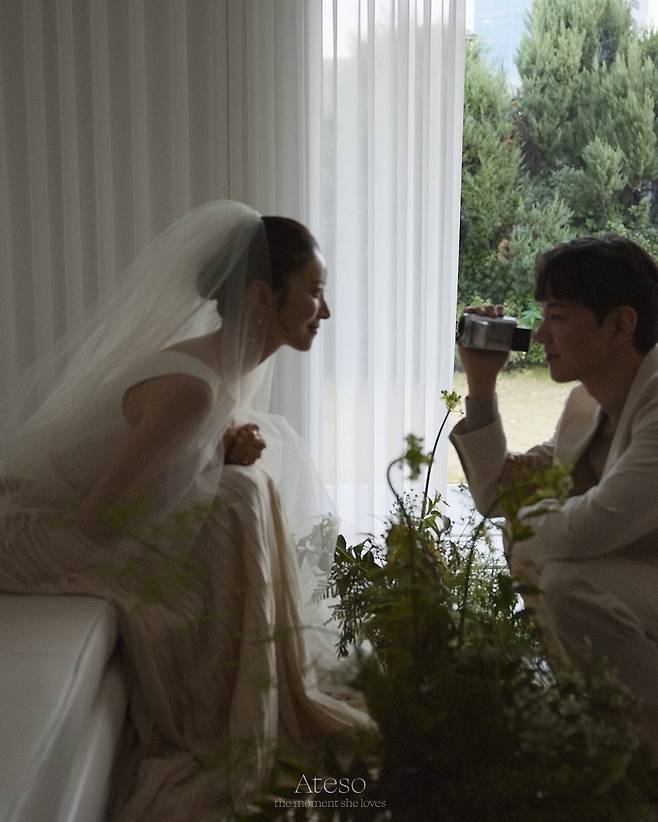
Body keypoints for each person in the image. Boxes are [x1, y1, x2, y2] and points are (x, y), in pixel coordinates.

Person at [0, 200, 371, 820]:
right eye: (314, 293)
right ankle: (226, 701)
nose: (325, 311)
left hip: (74, 515)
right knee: (234, 507)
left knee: (243, 494)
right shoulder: (192, 390)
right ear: (262, 297)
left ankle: (257, 679)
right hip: (29, 532)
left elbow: (166, 465)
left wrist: (219, 453)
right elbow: (99, 517)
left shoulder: (227, 365)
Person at [450, 234, 658, 763]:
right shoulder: (587, 405)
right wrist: (481, 384)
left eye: (557, 316)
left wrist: (525, 534)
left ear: (620, 325)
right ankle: (601, 739)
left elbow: (597, 523)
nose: (540, 333)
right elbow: (500, 496)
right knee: (547, 558)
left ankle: (635, 757)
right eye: (542, 315)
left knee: (566, 580)